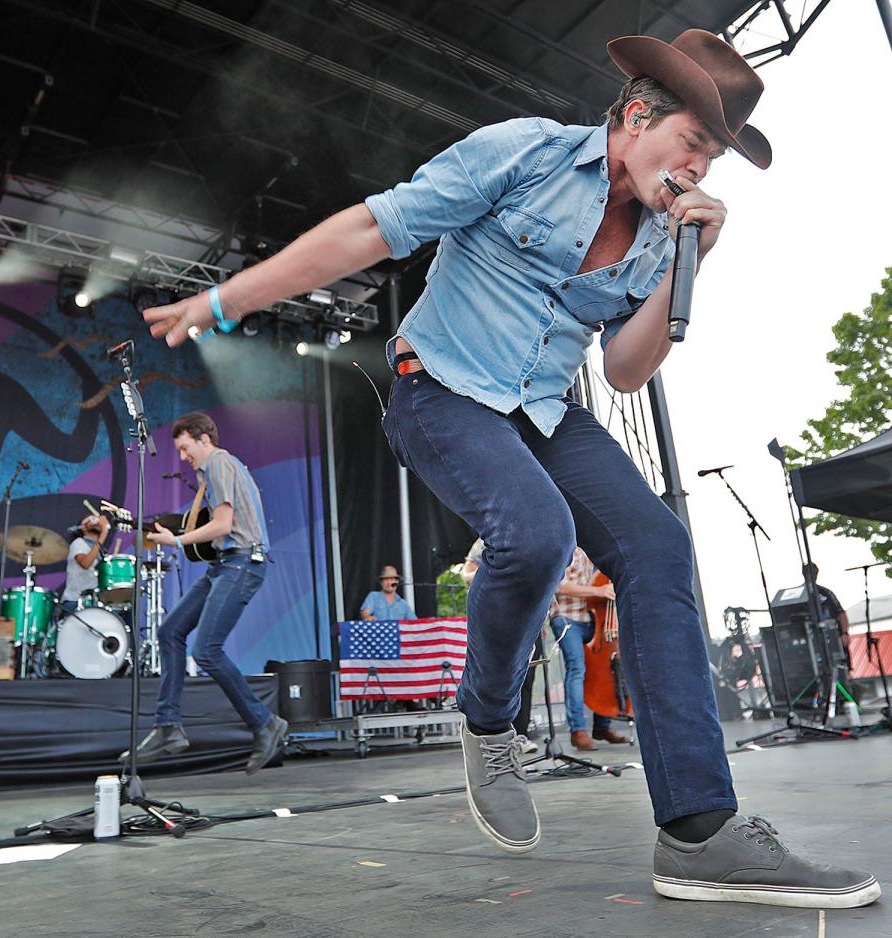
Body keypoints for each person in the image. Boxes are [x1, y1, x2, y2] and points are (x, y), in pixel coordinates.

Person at [141, 30, 879, 907]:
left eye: (712, 159)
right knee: (535, 535)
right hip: (441, 390)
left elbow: (624, 370)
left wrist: (693, 263)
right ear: (636, 116)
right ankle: (490, 720)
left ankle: (699, 834)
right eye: (693, 144)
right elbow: (373, 228)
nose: (698, 171)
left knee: (656, 546)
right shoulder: (523, 152)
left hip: (547, 410)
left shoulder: (658, 236)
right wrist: (227, 298)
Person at [120, 411, 286, 776]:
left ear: (203, 439)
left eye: (184, 448)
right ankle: (168, 727)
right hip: (226, 563)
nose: (182, 456)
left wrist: (176, 540)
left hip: (242, 563)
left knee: (207, 650)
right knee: (169, 632)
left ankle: (266, 723)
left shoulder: (219, 463)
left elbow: (224, 524)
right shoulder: (209, 472)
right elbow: (221, 525)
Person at [462, 538, 538, 754]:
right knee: (497, 676)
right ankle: (491, 738)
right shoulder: (486, 539)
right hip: (496, 616)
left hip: (528, 616)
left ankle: (520, 736)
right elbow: (466, 573)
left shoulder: (533, 536)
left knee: (527, 678)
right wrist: (497, 575)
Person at [550, 548, 630, 750]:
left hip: (593, 618)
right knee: (577, 668)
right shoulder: (566, 549)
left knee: (605, 669)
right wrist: (598, 591)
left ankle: (602, 726)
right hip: (567, 617)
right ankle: (578, 731)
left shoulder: (593, 553)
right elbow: (558, 585)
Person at [61, 514, 111, 614]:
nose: (96, 521)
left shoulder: (99, 550)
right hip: (76, 601)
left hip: (93, 602)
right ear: (84, 527)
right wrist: (104, 533)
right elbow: (85, 563)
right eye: (91, 519)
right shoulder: (79, 543)